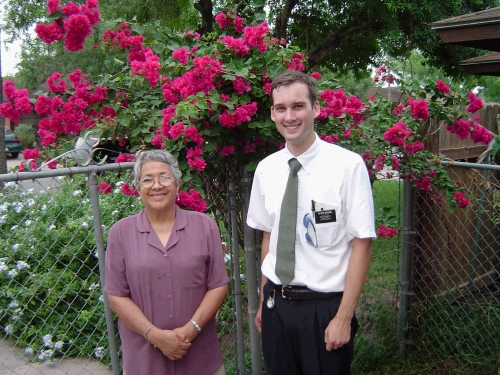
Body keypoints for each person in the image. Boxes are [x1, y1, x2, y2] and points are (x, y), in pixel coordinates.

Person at [247, 70, 376, 375]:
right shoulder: (267, 170)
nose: (289, 116)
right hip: (276, 305)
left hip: (325, 309)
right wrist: (265, 296)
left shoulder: (347, 166)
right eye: (281, 108)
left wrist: (344, 317)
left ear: (316, 108)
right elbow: (269, 236)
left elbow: (362, 243)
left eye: (298, 106)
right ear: (272, 114)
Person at [104, 149, 229, 375]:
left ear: (177, 185)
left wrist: (191, 330)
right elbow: (116, 295)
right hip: (145, 361)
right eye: (148, 179)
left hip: (200, 357)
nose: (157, 185)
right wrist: (155, 336)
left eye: (164, 177)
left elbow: (218, 284)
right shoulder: (120, 233)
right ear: (138, 188)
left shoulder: (205, 226)